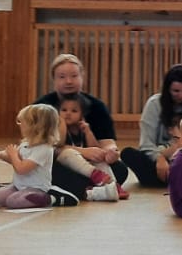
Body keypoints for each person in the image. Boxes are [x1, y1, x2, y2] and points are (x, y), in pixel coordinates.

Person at [36, 53, 130, 198]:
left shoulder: (97, 106)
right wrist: (82, 151)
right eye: (62, 77)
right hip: (56, 160)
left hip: (91, 163)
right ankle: (94, 189)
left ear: (82, 77)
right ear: (53, 79)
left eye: (74, 76)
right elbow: (38, 148)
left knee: (120, 169)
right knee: (48, 170)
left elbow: (108, 143)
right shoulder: (42, 107)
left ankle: (86, 187)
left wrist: (110, 153)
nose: (68, 81)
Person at [120, 64, 182, 189]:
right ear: (167, 89)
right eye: (175, 91)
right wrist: (159, 159)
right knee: (128, 153)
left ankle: (173, 178)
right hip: (158, 158)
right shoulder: (154, 104)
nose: (180, 95)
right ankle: (177, 179)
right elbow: (146, 144)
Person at [0, 104, 64, 211]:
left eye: (22, 122)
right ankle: (20, 195)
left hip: (36, 188)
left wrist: (13, 154)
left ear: (35, 126)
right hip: (18, 186)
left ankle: (50, 198)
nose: (19, 125)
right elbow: (16, 160)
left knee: (13, 202)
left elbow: (21, 169)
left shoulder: (44, 149)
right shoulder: (25, 144)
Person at [57, 96, 122, 202]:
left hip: (85, 167)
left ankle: (113, 185)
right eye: (64, 110)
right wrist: (61, 124)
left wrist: (88, 132)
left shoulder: (83, 130)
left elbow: (95, 148)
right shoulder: (59, 128)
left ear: (82, 115)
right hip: (68, 167)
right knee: (68, 153)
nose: (68, 113)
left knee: (99, 159)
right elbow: (58, 146)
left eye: (74, 111)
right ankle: (96, 178)